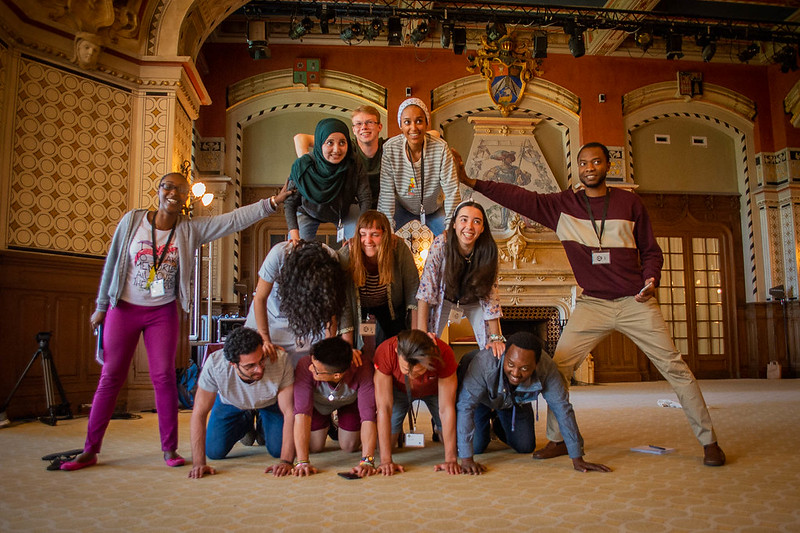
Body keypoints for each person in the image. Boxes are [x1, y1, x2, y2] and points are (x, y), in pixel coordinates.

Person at [456, 142, 726, 467]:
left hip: (635, 302)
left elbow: (651, 251)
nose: (589, 168)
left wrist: (651, 279)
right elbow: (519, 196)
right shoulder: (563, 205)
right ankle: (558, 439)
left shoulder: (630, 203)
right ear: (578, 169)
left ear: (607, 166)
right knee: (559, 369)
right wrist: (472, 182)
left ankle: (709, 441)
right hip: (591, 304)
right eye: (583, 163)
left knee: (676, 368)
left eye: (596, 162)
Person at [60, 172, 291, 471]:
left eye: (180, 191)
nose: (173, 193)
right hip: (124, 308)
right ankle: (90, 450)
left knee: (165, 378)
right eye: (168, 187)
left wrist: (271, 203)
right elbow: (113, 261)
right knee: (111, 377)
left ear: (186, 199)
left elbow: (231, 220)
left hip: (162, 311)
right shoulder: (132, 221)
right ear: (158, 191)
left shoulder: (189, 229)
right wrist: (101, 306)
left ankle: (169, 450)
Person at [457, 331, 611, 474]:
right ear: (505, 355)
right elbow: (466, 406)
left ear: (536, 364)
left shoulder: (547, 367)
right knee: (476, 447)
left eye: (524, 368)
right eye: (511, 364)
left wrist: (577, 458)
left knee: (525, 446)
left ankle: (498, 423)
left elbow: (562, 408)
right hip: (481, 400)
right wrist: (466, 460)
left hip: (514, 402)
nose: (516, 373)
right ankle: (484, 421)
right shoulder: (483, 363)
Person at [188, 327, 295, 479]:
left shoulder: (281, 359)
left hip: (269, 404)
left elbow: (289, 411)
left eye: (261, 360)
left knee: (278, 450)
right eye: (250, 366)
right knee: (214, 452)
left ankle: (263, 427)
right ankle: (245, 424)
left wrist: (286, 461)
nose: (259, 369)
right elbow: (199, 413)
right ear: (233, 364)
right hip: (230, 403)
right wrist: (198, 463)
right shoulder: (215, 364)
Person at [416, 201, 505, 357]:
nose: (469, 226)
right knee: (425, 344)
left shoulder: (489, 251)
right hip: (445, 299)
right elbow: (425, 290)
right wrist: (422, 334)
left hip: (475, 301)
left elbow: (491, 296)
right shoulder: (441, 245)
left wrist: (496, 337)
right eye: (464, 219)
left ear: (482, 228)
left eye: (476, 222)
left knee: (493, 348)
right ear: (454, 224)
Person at [244, 240, 346, 368]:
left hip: (309, 324)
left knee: (309, 368)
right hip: (269, 320)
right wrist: (265, 339)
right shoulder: (279, 254)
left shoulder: (330, 260)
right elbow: (260, 299)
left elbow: (330, 309)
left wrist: (328, 347)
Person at [373, 330, 458, 475]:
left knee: (455, 445)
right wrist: (386, 460)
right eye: (406, 370)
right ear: (396, 351)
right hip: (399, 392)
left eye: (418, 371)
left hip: (434, 392)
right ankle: (398, 430)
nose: (412, 375)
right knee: (383, 447)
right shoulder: (386, 350)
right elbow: (384, 408)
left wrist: (451, 459)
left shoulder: (444, 352)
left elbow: (446, 408)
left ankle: (437, 426)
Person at [292, 337, 377, 477]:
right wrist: (302, 461)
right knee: (314, 446)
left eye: (317, 370)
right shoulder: (305, 365)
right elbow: (302, 413)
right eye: (312, 363)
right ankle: (328, 424)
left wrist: (367, 461)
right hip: (319, 406)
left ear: (337, 375)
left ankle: (338, 425)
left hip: (348, 403)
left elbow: (368, 415)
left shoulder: (363, 367)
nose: (310, 368)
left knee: (349, 446)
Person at [377, 97, 461, 235]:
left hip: (434, 209)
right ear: (401, 125)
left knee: (454, 238)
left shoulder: (440, 148)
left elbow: (451, 189)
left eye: (419, 121)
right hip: (402, 208)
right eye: (407, 122)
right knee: (382, 235)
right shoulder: (390, 149)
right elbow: (386, 193)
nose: (413, 128)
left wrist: (450, 226)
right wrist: (388, 230)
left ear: (427, 123)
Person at [339, 210, 420, 352]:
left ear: (385, 235)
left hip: (391, 309)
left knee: (397, 350)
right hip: (358, 311)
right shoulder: (347, 254)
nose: (368, 241)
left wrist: (415, 336)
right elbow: (344, 305)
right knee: (357, 353)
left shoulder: (399, 249)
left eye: (375, 235)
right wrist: (348, 349)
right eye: (362, 234)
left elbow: (413, 291)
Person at [284, 118, 371, 242]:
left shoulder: (353, 162)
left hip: (343, 211)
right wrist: (294, 236)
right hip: (308, 212)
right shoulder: (303, 166)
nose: (336, 149)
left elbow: (365, 198)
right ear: (320, 144)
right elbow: (290, 203)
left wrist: (360, 232)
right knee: (297, 250)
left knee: (361, 243)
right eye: (330, 143)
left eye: (342, 143)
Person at [294, 106, 386, 209]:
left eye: (369, 122)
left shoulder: (390, 147)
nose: (364, 127)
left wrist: (409, 192)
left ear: (379, 127)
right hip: (356, 206)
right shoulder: (346, 149)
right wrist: (309, 170)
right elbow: (300, 138)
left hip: (386, 204)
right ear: (354, 130)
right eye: (359, 123)